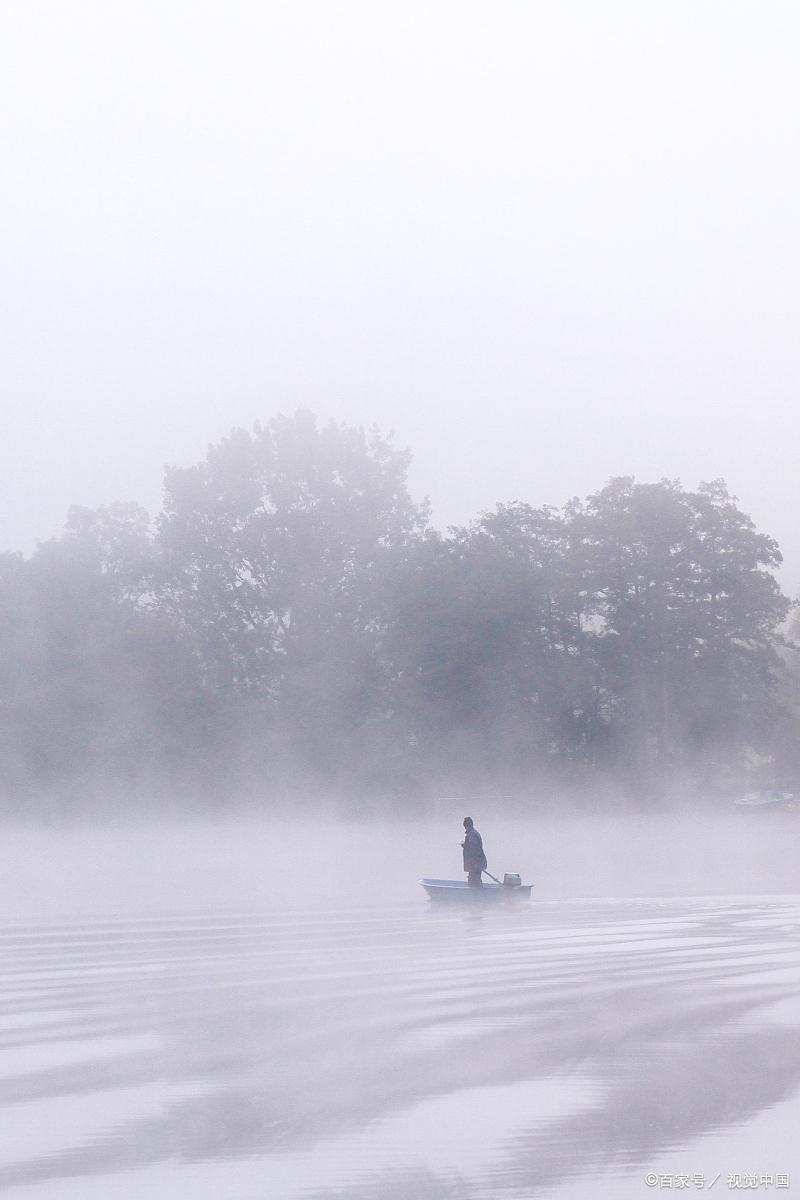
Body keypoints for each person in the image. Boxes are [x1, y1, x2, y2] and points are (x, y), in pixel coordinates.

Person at [461, 817, 487, 888]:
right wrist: (465, 845)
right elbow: (472, 848)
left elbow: (474, 851)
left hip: (475, 864)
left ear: (466, 826)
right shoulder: (473, 833)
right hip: (476, 863)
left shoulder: (471, 835)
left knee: (474, 882)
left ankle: (478, 897)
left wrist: (475, 863)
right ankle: (479, 895)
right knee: (475, 881)